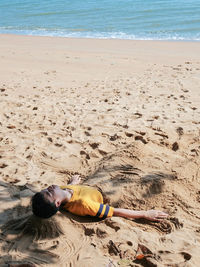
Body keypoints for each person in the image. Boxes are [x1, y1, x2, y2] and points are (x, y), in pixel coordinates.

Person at [32, 175, 168, 221]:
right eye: (49, 193)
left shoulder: (61, 190)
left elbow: (65, 192)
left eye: (45, 189)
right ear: (57, 203)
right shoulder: (83, 204)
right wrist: (144, 214)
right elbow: (114, 211)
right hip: (104, 193)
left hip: (87, 187)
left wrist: (72, 184)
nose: (48, 188)